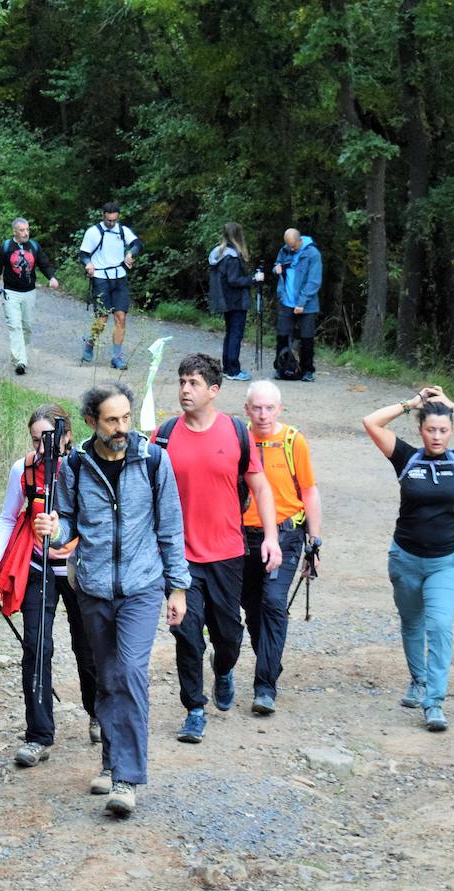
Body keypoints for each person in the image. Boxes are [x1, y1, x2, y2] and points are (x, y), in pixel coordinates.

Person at [32, 382, 189, 817]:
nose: (121, 428)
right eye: (111, 420)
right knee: (105, 676)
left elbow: (170, 529)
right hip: (95, 588)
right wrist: (52, 529)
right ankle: (111, 760)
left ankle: (126, 779)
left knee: (131, 672)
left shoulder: (154, 460)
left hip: (141, 588)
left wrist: (178, 588)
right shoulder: (75, 467)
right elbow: (66, 524)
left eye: (125, 418)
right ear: (91, 422)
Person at [154, 354, 281, 743]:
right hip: (179, 557)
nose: (184, 390)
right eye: (181, 381)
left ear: (214, 391)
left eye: (193, 383)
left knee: (229, 634)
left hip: (227, 552)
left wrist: (272, 538)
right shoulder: (164, 434)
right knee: (186, 632)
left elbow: (259, 487)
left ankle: (223, 668)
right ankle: (194, 707)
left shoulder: (236, 432)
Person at [363, 385, 454, 732]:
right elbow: (371, 422)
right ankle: (419, 680)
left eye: (443, 430)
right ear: (421, 430)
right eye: (430, 430)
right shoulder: (407, 457)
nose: (437, 437)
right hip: (405, 557)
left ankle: (434, 701)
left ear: (451, 431)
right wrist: (411, 403)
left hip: (447, 560)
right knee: (412, 623)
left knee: (439, 626)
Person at [0, 404, 99, 767]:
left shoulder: (83, 465)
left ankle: (98, 713)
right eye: (35, 440)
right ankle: (38, 736)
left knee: (88, 648)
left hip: (79, 569)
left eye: (50, 438)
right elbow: (7, 517)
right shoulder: (24, 469)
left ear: (68, 435)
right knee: (36, 648)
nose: (42, 448)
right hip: (36, 565)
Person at [241, 380, 322, 715]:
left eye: (269, 408)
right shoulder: (238, 438)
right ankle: (270, 661)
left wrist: (314, 542)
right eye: (256, 408)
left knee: (273, 603)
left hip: (287, 536)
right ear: (247, 409)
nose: (263, 414)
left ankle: (265, 688)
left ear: (280, 409)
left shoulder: (292, 441)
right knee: (252, 607)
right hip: (243, 536)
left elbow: (309, 490)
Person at [0, 218, 60, 376]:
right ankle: (20, 361)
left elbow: (44, 264)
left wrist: (52, 278)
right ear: (15, 231)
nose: (26, 233)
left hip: (29, 292)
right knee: (15, 326)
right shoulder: (7, 247)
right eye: (22, 230)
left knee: (26, 327)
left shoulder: (34, 246)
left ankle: (19, 353)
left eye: (27, 229)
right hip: (10, 293)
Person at [78, 203, 143, 369]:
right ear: (103, 216)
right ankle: (90, 342)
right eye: (108, 220)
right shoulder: (93, 232)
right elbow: (84, 254)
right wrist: (88, 264)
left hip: (119, 277)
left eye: (114, 220)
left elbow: (137, 244)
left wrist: (130, 253)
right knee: (102, 318)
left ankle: (117, 357)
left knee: (121, 317)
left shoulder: (122, 230)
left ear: (118, 217)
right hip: (100, 277)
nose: (111, 223)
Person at [207, 222, 265, 382]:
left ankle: (228, 368)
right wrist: (253, 279)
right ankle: (233, 370)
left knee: (230, 333)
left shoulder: (221, 253)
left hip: (226, 300)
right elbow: (234, 280)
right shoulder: (232, 256)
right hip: (236, 301)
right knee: (235, 334)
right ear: (238, 235)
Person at [271, 229, 322, 382]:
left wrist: (302, 302)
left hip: (306, 304)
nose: (291, 249)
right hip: (286, 300)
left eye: (293, 246)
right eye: (289, 246)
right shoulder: (285, 250)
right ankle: (282, 367)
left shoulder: (313, 254)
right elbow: (277, 264)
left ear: (299, 241)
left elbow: (314, 281)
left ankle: (307, 370)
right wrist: (276, 269)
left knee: (307, 337)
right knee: (282, 335)